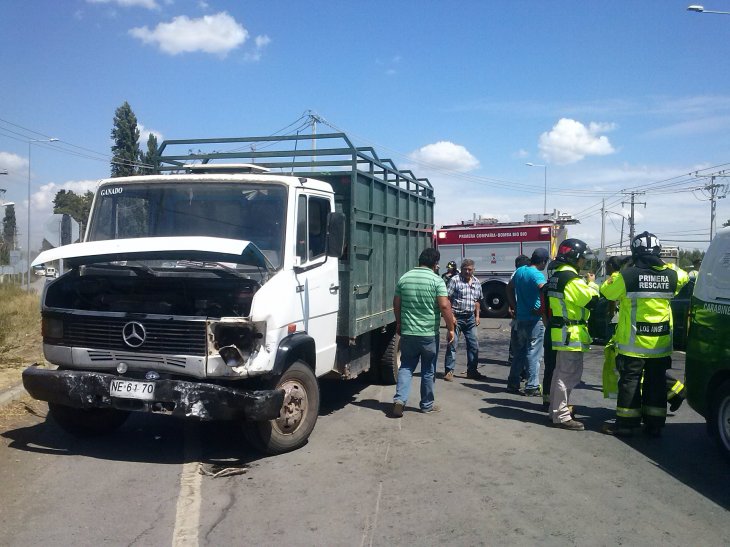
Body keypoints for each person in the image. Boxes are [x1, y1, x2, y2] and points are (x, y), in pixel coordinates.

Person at [600, 231, 689, 437]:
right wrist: (667, 266)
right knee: (656, 384)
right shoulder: (672, 274)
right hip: (660, 344)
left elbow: (607, 291)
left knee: (630, 382)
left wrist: (617, 273)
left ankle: (627, 425)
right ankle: (654, 425)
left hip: (633, 344)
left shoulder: (628, 276)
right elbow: (684, 277)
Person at [392, 248, 456, 416]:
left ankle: (400, 399)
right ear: (435, 264)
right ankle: (426, 404)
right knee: (428, 369)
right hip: (428, 334)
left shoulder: (404, 278)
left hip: (409, 332)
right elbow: (444, 306)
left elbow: (396, 303)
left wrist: (399, 322)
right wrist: (451, 328)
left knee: (406, 366)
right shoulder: (437, 281)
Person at [547, 239, 599, 430]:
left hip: (561, 331)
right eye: (582, 258)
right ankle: (561, 416)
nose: (583, 262)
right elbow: (592, 301)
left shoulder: (556, 275)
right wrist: (592, 285)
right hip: (571, 332)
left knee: (559, 373)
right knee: (567, 375)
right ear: (574, 258)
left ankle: (555, 411)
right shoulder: (571, 279)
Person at [506, 248, 549, 396]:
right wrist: (542, 309)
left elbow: (509, 288)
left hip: (521, 317)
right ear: (543, 261)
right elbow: (544, 290)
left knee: (519, 352)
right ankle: (532, 386)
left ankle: (513, 383)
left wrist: (514, 306)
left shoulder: (520, 271)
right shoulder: (537, 274)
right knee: (534, 352)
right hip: (534, 319)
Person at [443, 258, 484, 381]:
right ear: (461, 269)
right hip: (456, 317)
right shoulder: (455, 280)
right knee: (452, 344)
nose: (467, 271)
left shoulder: (476, 282)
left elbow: (477, 301)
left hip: (470, 318)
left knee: (473, 345)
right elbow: (447, 299)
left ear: (473, 270)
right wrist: (451, 317)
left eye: (469, 269)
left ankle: (472, 371)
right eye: (465, 269)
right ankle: (449, 371)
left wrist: (477, 316)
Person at [506, 254, 531, 371]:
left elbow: (509, 291)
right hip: (522, 312)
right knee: (521, 340)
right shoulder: (521, 274)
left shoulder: (515, 274)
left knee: (516, 337)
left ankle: (513, 359)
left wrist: (511, 306)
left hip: (518, 310)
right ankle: (518, 364)